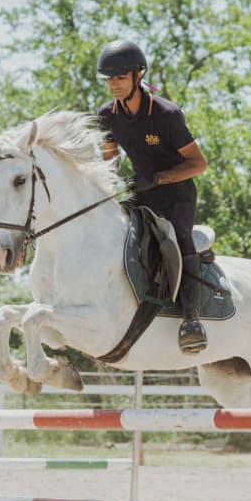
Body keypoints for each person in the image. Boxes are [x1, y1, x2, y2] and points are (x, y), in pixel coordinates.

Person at [95, 39, 210, 354]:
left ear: (138, 75)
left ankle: (192, 320)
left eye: (120, 78)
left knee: (180, 238)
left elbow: (198, 164)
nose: (113, 85)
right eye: (108, 80)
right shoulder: (106, 114)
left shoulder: (166, 114)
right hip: (141, 191)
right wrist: (109, 187)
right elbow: (109, 159)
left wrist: (157, 178)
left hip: (177, 195)